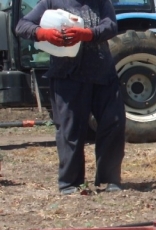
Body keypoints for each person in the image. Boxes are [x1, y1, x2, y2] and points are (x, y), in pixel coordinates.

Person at [15, 0, 126, 195]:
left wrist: (88, 34)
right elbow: (23, 25)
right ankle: (70, 183)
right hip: (68, 75)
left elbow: (111, 26)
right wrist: (43, 34)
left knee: (113, 123)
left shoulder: (101, 3)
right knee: (70, 130)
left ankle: (110, 179)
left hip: (102, 74)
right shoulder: (52, 2)